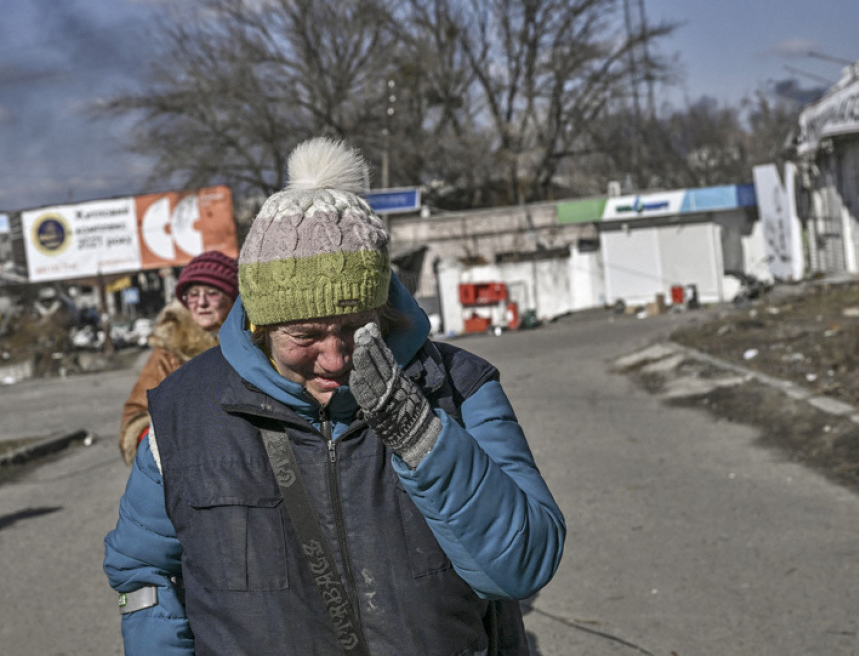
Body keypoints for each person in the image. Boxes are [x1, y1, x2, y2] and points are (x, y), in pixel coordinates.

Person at [104, 138, 565, 655]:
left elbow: (524, 566)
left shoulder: (459, 385)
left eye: (353, 327)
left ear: (383, 312)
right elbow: (143, 575)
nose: (334, 358)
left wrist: (424, 439)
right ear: (260, 326)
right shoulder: (182, 413)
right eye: (304, 336)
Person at [116, 250, 238, 466]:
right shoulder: (170, 352)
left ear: (232, 298)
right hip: (193, 465)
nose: (201, 302)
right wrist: (160, 448)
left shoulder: (252, 345)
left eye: (212, 293)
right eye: (193, 294)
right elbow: (135, 417)